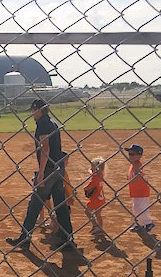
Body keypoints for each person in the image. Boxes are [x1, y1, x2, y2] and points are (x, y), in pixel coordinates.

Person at [6, 100, 75, 250]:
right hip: (59, 169)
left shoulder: (43, 123)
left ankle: (24, 238)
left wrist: (41, 173)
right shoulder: (52, 122)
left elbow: (45, 147)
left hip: (49, 170)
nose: (31, 114)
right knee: (61, 206)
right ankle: (68, 239)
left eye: (32, 111)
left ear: (38, 110)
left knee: (35, 203)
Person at [126, 144, 155, 232]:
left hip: (142, 192)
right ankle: (139, 224)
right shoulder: (133, 165)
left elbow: (138, 176)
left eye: (132, 154)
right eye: (129, 154)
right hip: (136, 191)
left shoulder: (138, 165)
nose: (129, 156)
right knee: (135, 209)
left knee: (140, 208)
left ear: (139, 155)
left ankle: (148, 223)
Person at [83, 157, 106, 235]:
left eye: (92, 166)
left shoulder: (95, 178)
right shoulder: (101, 174)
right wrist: (90, 171)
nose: (91, 167)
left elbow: (88, 187)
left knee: (87, 211)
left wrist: (85, 189)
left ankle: (95, 225)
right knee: (98, 214)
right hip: (101, 198)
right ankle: (100, 228)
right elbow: (92, 173)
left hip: (95, 199)